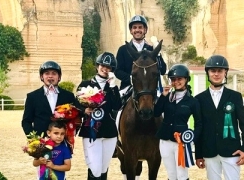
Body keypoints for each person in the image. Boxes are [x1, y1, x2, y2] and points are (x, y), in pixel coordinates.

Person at [195, 55, 244, 180]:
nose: (216, 74)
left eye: (220, 71)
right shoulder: (199, 99)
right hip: (209, 151)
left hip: (231, 150)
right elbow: (199, 127)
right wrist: (198, 154)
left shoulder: (235, 96)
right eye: (213, 71)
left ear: (225, 72)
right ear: (208, 73)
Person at [77, 52, 122, 180]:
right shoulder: (85, 84)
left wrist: (113, 86)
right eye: (103, 65)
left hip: (109, 132)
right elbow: (77, 104)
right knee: (94, 168)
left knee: (103, 169)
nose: (105, 69)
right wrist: (84, 110)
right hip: (91, 131)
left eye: (108, 67)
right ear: (97, 66)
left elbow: (117, 106)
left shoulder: (113, 87)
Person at [154, 64, 202, 180]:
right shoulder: (167, 97)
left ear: (186, 80)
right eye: (174, 79)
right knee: (171, 174)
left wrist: (191, 138)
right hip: (165, 140)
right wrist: (163, 96)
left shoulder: (192, 101)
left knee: (182, 175)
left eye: (179, 79)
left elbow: (199, 123)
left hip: (182, 142)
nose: (176, 82)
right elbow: (156, 113)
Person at [114, 15, 167, 96]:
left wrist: (158, 54)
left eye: (140, 27)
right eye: (134, 27)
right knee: (117, 107)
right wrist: (131, 78)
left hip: (149, 90)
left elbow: (163, 70)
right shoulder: (123, 49)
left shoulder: (152, 49)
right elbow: (117, 71)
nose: (137, 30)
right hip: (128, 88)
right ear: (131, 31)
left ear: (145, 30)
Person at [22, 61, 77, 137]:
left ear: (59, 77)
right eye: (47, 73)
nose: (50, 76)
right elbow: (26, 121)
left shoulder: (68, 96)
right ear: (42, 77)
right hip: (41, 142)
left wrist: (70, 135)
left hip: (62, 141)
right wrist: (33, 139)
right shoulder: (32, 97)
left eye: (54, 73)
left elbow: (76, 118)